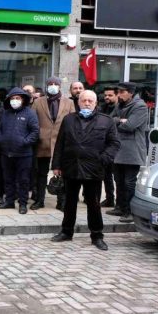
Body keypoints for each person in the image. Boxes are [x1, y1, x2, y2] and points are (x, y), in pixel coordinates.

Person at [51, 90, 121, 251]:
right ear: (78, 102)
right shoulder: (68, 120)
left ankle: (97, 235)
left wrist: (103, 159)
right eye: (84, 100)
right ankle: (66, 232)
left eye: (90, 101)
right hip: (71, 167)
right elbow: (60, 143)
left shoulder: (106, 121)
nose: (87, 103)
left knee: (94, 204)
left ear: (96, 103)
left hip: (93, 169)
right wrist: (56, 165)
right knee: (69, 203)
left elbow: (114, 144)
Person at [31, 76, 75, 211]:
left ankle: (61, 201)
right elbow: (33, 121)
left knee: (61, 173)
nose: (53, 86)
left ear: (60, 86)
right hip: (42, 143)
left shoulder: (69, 102)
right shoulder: (38, 102)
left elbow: (73, 122)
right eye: (50, 83)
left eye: (56, 84)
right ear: (46, 85)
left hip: (62, 143)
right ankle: (39, 200)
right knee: (41, 174)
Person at [108, 82, 149, 223]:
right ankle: (120, 206)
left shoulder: (140, 106)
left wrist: (119, 122)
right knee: (118, 180)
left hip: (132, 150)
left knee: (129, 182)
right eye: (118, 92)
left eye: (121, 92)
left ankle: (130, 212)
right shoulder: (120, 104)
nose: (118, 94)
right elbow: (109, 120)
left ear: (130, 93)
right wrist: (120, 120)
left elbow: (131, 126)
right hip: (118, 148)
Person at [0, 88, 39, 214]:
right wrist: (0, 139)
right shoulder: (6, 113)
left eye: (17, 98)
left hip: (24, 154)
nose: (15, 101)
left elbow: (35, 132)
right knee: (8, 178)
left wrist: (24, 142)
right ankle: (9, 201)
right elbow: (0, 129)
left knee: (23, 180)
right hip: (6, 152)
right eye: (12, 98)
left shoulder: (30, 113)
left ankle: (23, 203)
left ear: (23, 100)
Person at [98, 86, 119, 207]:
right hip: (103, 146)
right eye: (106, 95)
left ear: (116, 96)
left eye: (110, 95)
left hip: (114, 147)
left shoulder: (119, 107)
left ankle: (119, 202)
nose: (107, 97)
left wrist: (114, 120)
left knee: (116, 177)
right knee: (106, 176)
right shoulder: (103, 107)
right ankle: (109, 198)